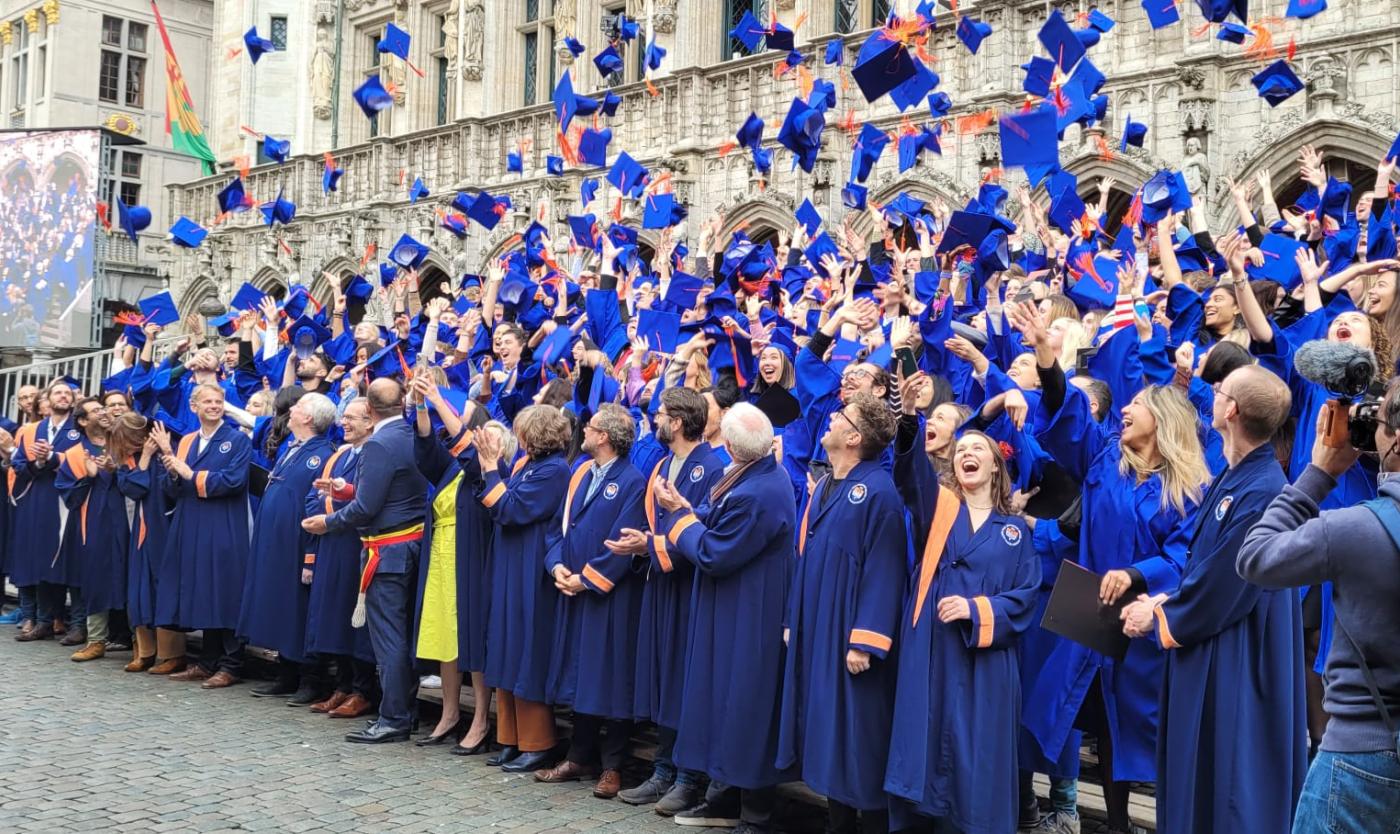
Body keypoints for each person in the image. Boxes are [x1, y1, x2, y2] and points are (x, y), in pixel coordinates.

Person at [1009, 299, 1207, 834]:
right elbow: (1071, 418)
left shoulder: (1189, 488)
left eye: (1137, 405)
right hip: (1093, 615)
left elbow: (1185, 554)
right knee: (1096, 727)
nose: (1124, 409)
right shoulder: (1104, 461)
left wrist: (1139, 575)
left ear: (1161, 420)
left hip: (1147, 624)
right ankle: (1114, 825)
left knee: (1143, 732)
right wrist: (1047, 358)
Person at [1118, 365, 1307, 834]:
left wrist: (1158, 614)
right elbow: (1207, 564)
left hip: (1238, 651)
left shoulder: (1263, 490)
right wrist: (1171, 595)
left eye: (1219, 390)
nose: (1211, 395)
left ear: (1232, 410)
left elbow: (1229, 581)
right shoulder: (1235, 474)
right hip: (1216, 634)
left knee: (1230, 780)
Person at [1239, 381, 1400, 832]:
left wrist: (1320, 473)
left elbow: (1255, 558)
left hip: (1360, 756)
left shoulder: (1355, 529)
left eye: (1381, 420)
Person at [884, 371, 1040, 834]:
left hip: (984, 663)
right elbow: (911, 476)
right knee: (926, 746)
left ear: (996, 467)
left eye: (980, 450)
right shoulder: (939, 509)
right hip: (932, 650)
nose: (969, 453)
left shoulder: (1013, 532)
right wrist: (909, 417)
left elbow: (1026, 597)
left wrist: (976, 610)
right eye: (962, 450)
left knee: (977, 754)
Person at [641, 402, 794, 834]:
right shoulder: (756, 475)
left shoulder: (758, 491)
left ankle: (755, 814)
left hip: (750, 611)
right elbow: (713, 520)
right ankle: (725, 799)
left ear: (727, 445)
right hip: (737, 605)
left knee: (745, 704)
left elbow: (714, 551)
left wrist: (678, 516)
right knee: (725, 702)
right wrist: (683, 511)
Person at [777, 392, 905, 834]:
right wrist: (795, 618)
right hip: (819, 625)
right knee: (829, 732)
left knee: (860, 736)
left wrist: (865, 639)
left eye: (840, 416)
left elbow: (885, 569)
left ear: (854, 436)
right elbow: (808, 556)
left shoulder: (880, 491)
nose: (829, 418)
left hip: (852, 634)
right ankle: (837, 823)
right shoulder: (830, 483)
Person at [614, 387, 726, 815]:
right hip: (659, 585)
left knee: (683, 679)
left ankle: (687, 777)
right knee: (662, 676)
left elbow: (702, 534)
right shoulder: (662, 464)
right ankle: (662, 768)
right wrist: (640, 544)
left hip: (688, 589)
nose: (654, 420)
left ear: (677, 422)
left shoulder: (710, 469)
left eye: (660, 414)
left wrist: (652, 544)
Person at [302, 378, 429, 744]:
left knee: (388, 640)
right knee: (402, 637)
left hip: (386, 551)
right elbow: (393, 493)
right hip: (410, 545)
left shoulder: (377, 445)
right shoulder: (410, 434)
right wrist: (347, 489)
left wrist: (328, 522)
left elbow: (367, 509)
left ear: (370, 413)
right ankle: (406, 710)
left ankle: (393, 717)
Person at [535, 404, 648, 798]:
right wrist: (557, 568)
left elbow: (624, 541)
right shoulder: (581, 472)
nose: (583, 431)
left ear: (605, 437)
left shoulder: (633, 481)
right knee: (581, 674)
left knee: (612, 677)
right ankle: (578, 754)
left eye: (591, 427)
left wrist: (587, 579)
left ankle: (613, 766)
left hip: (609, 597)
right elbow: (556, 530)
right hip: (573, 589)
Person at [475, 404, 571, 773]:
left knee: (526, 648)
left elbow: (512, 509)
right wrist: (493, 468)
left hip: (530, 568)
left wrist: (489, 469)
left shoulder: (555, 470)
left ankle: (538, 741)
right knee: (505, 644)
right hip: (510, 564)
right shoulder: (528, 465)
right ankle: (510, 738)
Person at [407, 378, 497, 753]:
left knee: (471, 634)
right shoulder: (449, 464)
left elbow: (470, 457)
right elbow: (426, 449)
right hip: (442, 552)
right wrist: (423, 406)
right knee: (445, 634)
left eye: (459, 416)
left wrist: (436, 397)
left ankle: (479, 718)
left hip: (471, 553)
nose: (452, 421)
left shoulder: (488, 456)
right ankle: (448, 713)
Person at [238, 392, 338, 704]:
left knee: (300, 606)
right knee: (283, 604)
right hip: (277, 541)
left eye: (298, 406)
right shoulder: (291, 447)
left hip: (299, 542)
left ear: (308, 418)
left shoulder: (322, 454)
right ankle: (286, 671)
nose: (291, 409)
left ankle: (310, 677)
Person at [153, 383, 253, 689]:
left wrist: (187, 473)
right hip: (191, 523)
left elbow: (233, 482)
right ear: (194, 407)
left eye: (219, 400)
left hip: (223, 523)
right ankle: (207, 661)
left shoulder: (236, 440)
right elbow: (172, 489)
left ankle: (231, 664)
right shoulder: (185, 441)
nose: (214, 405)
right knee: (203, 589)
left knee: (225, 589)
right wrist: (171, 469)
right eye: (207, 401)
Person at [302, 398, 378, 719]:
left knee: (356, 620)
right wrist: (326, 510)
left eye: (352, 418)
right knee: (335, 617)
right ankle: (343, 685)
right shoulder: (339, 456)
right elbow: (312, 498)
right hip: (333, 545)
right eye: (343, 417)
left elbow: (366, 499)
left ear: (370, 421)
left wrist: (332, 505)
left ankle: (363, 690)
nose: (344, 423)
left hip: (358, 545)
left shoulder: (375, 454)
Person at [107, 412, 185, 674]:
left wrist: (158, 454)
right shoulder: (130, 461)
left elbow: (172, 490)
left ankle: (172, 654)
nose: (124, 445)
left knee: (163, 588)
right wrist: (143, 459)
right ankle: (145, 651)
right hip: (138, 533)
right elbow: (132, 489)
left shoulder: (165, 455)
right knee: (139, 590)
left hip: (163, 529)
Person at [12, 379, 85, 643]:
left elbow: (84, 461)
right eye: (58, 392)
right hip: (41, 500)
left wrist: (53, 459)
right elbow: (18, 464)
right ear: (47, 400)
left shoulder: (82, 428)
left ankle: (78, 624)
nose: (63, 396)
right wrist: (37, 461)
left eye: (68, 393)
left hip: (71, 500)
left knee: (72, 560)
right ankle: (43, 621)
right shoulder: (33, 430)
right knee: (43, 557)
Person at [55, 397, 128, 662]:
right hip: (94, 522)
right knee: (97, 577)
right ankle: (96, 639)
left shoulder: (123, 445)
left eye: (104, 408)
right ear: (83, 421)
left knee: (134, 574)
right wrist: (89, 476)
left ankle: (141, 642)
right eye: (96, 410)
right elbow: (70, 499)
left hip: (129, 519)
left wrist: (115, 468)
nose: (104, 411)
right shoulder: (75, 454)